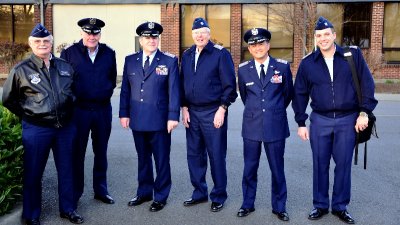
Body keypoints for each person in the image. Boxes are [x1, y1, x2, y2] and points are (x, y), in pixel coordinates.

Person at [292, 16, 378, 224]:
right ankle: (320, 205)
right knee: (320, 164)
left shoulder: (352, 55)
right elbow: (300, 94)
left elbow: (367, 84)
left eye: (326, 34)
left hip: (347, 120)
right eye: (319, 36)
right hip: (320, 120)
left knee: (343, 165)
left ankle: (340, 206)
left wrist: (364, 112)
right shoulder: (307, 63)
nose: (323, 39)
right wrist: (301, 122)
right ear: (315, 38)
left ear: (334, 35)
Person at [2, 24, 84, 225]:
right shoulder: (21, 69)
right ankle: (31, 215)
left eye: (46, 41)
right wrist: (29, 115)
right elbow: (8, 99)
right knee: (34, 172)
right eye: (37, 41)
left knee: (67, 170)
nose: (42, 44)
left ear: (51, 43)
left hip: (64, 128)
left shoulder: (65, 66)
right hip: (37, 129)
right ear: (31, 44)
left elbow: (75, 93)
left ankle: (68, 209)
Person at [119, 21, 180, 212]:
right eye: (147, 37)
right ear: (141, 40)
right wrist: (124, 113)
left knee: (161, 160)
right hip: (137, 119)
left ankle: (160, 196)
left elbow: (174, 91)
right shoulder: (130, 60)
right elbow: (125, 90)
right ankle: (144, 192)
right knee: (143, 158)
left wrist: (173, 116)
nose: (152, 40)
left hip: (160, 121)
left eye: (155, 37)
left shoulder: (169, 60)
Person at [180, 17, 237, 212]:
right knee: (194, 155)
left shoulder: (220, 54)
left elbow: (230, 86)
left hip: (213, 112)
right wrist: (184, 107)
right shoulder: (187, 55)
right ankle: (199, 193)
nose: (200, 35)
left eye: (203, 32)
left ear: (209, 34)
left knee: (216, 156)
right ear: (192, 35)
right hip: (192, 112)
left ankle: (219, 195)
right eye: (196, 33)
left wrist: (222, 108)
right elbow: (182, 84)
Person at [237, 28, 293, 221]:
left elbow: (287, 95)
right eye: (253, 45)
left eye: (261, 43)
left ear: (268, 45)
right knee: (249, 169)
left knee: (277, 169)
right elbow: (246, 97)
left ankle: (279, 207)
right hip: (252, 126)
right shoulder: (244, 70)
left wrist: (272, 111)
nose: (257, 47)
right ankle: (247, 204)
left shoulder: (283, 67)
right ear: (249, 48)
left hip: (275, 125)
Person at [60, 18, 117, 205]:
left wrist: (104, 94)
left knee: (101, 152)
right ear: (82, 33)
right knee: (78, 153)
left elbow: (112, 78)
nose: (92, 36)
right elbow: (63, 83)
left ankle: (101, 190)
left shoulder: (109, 53)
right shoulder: (69, 53)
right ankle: (75, 193)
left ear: (100, 34)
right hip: (79, 112)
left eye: (95, 33)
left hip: (102, 110)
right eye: (88, 32)